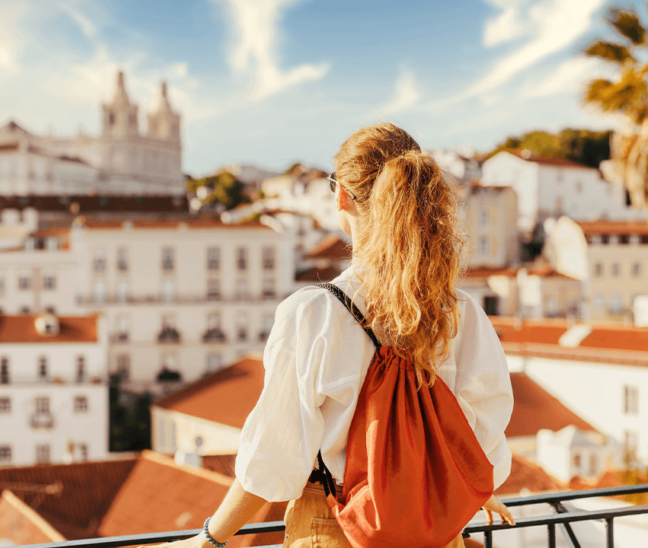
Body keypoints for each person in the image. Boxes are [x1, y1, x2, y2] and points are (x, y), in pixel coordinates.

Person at [161, 123, 514, 548]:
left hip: (334, 529)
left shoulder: (315, 314)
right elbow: (483, 431)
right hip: (434, 532)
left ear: (341, 195)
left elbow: (275, 455)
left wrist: (209, 539)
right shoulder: (459, 314)